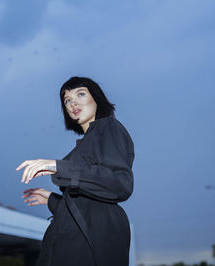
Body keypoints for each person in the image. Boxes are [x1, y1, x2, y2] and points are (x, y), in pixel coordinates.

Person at [16, 76, 135, 266]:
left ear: (96, 98)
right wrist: (51, 200)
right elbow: (84, 203)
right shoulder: (82, 146)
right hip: (70, 242)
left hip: (94, 242)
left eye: (80, 94)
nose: (73, 103)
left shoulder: (109, 127)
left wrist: (57, 166)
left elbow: (120, 184)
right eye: (67, 100)